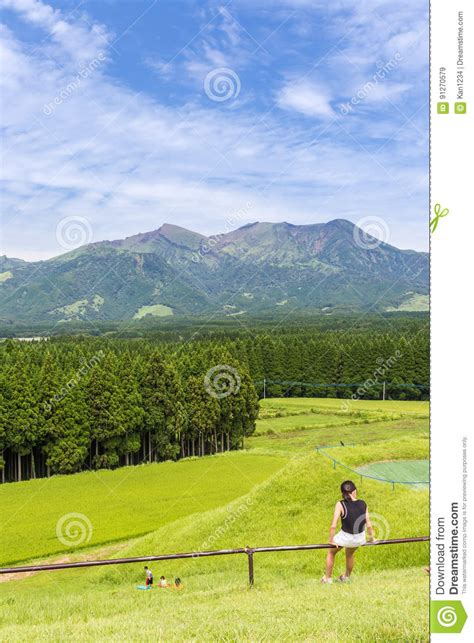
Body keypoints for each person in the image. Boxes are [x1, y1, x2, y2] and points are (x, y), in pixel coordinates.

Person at [321, 480, 375, 584]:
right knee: (349, 554)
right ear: (354, 491)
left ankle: (327, 578)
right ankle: (346, 577)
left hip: (345, 537)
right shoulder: (363, 503)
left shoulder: (340, 504)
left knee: (331, 552)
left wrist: (331, 540)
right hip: (359, 538)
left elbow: (333, 525)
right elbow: (369, 524)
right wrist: (372, 538)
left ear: (343, 493)